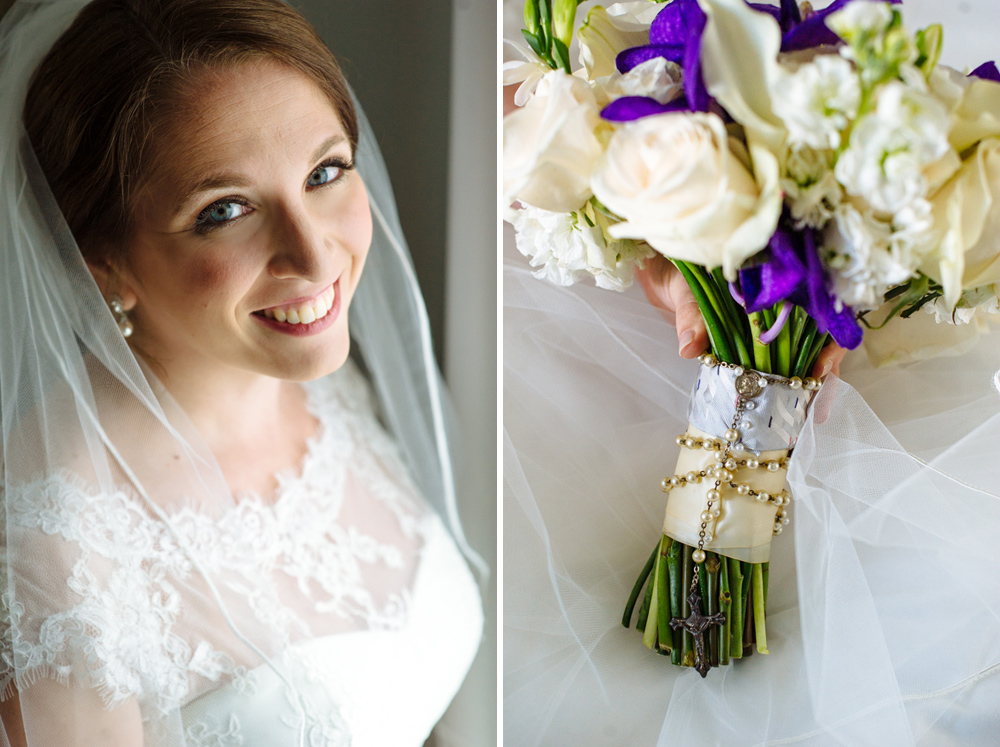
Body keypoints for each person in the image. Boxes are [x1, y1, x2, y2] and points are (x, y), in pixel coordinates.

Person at [503, 2, 1000, 744]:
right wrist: (666, 243)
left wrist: (851, 278)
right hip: (627, 251)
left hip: (873, 215)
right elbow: (529, 91)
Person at [0, 0, 485, 744]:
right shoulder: (56, 549)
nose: (316, 257)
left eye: (325, 171)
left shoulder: (317, 379)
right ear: (99, 264)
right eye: (224, 211)